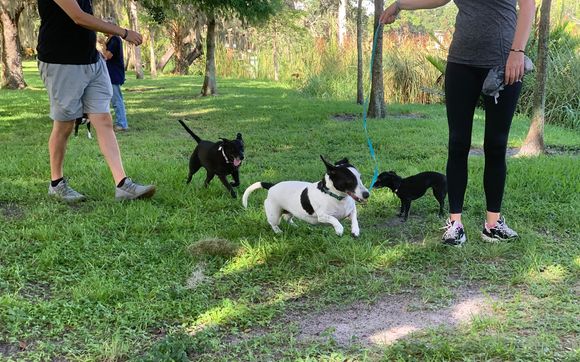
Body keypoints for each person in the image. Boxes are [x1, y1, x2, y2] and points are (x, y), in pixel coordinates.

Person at [380, 0, 534, 246]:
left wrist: (518, 52)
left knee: (496, 144)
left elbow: (528, 6)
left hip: (504, 63)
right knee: (458, 143)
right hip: (461, 64)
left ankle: (493, 225)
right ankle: (455, 224)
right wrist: (399, 5)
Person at [37, 0, 155, 202]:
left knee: (103, 119)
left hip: (92, 60)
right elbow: (78, 17)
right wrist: (123, 32)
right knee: (64, 124)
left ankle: (123, 185)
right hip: (62, 62)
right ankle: (56, 184)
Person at [103, 17, 129, 132]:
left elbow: (107, 56)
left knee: (116, 100)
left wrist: (101, 46)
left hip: (114, 74)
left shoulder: (114, 40)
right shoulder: (111, 40)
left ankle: (122, 124)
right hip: (110, 74)